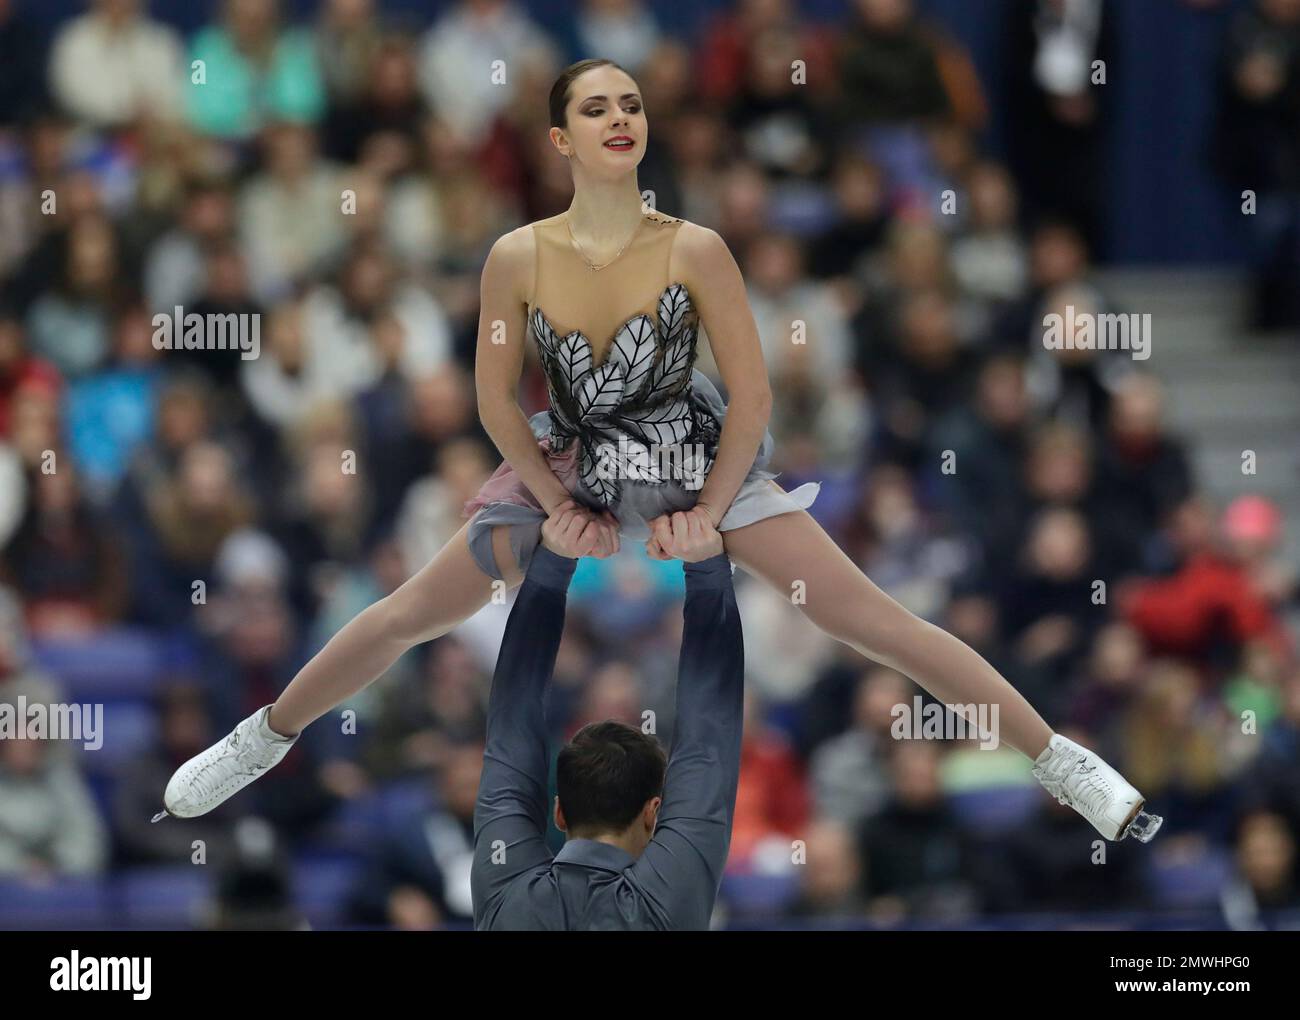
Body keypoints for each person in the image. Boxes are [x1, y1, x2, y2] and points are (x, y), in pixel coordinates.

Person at [157, 58, 1161, 846]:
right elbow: (492, 399)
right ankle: (264, 739)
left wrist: (705, 510)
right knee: (406, 615)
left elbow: (755, 395)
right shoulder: (517, 256)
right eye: (594, 109)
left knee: (879, 624)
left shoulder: (696, 247)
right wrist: (553, 499)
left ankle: (1059, 760)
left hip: (700, 459)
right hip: (572, 463)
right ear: (558, 136)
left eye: (629, 103)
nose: (618, 119)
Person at [474, 505, 741, 930]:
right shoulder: (663, 902)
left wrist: (707, 571)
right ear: (653, 814)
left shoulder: (512, 896)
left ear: (559, 814)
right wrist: (552, 568)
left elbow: (709, 742)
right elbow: (511, 726)